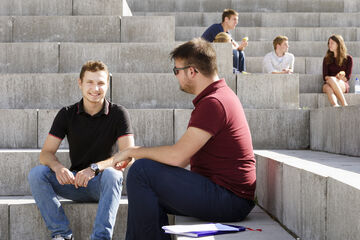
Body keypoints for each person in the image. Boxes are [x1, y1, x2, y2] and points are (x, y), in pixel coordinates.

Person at [113, 38, 256, 240]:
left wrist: (132, 151)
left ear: (192, 71)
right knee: (148, 185)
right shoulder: (217, 96)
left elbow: (178, 158)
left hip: (230, 199)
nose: (176, 76)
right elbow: (184, 157)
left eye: (176, 71)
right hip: (227, 195)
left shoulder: (214, 103)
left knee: (141, 172)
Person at [28, 60, 134, 240]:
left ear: (107, 84)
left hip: (102, 183)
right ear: (80, 83)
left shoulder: (118, 113)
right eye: (90, 82)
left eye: (101, 83)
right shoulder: (66, 114)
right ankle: (61, 234)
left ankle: (100, 238)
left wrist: (95, 168)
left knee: (114, 175)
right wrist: (59, 168)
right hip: (74, 182)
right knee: (37, 174)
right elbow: (45, 153)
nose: (95, 88)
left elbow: (129, 154)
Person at [201, 9, 248, 73]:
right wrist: (237, 47)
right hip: (205, 57)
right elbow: (227, 47)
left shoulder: (227, 33)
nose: (236, 22)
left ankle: (242, 73)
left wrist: (241, 47)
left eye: (237, 20)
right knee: (234, 53)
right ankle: (234, 73)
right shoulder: (216, 28)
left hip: (217, 54)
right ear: (226, 19)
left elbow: (236, 46)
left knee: (241, 53)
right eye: (234, 19)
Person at [322, 34, 352, 106]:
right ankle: (336, 106)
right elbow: (325, 77)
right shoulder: (326, 59)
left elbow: (347, 77)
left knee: (331, 83)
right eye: (329, 43)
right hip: (328, 82)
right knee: (327, 87)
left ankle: (344, 103)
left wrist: (338, 79)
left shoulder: (348, 59)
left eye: (332, 43)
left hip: (342, 83)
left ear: (338, 44)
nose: (330, 45)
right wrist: (332, 80)